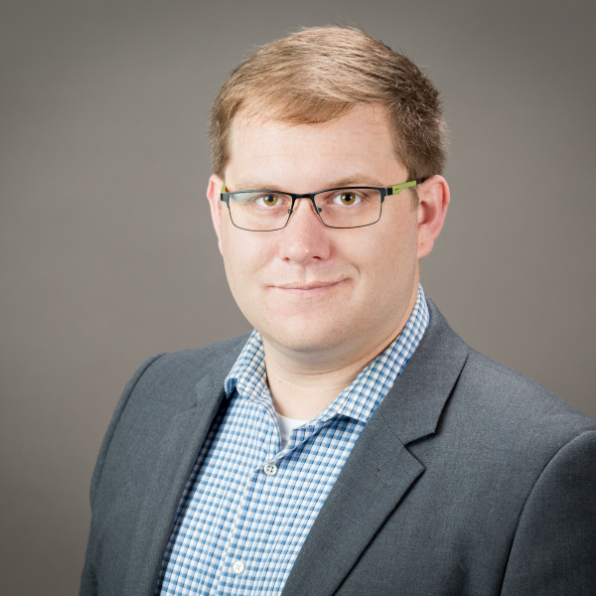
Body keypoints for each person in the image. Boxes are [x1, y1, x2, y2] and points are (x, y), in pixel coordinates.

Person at [79, 26, 596, 596]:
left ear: (425, 214)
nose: (302, 244)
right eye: (267, 198)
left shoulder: (542, 470)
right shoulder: (151, 400)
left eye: (348, 197)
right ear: (219, 214)